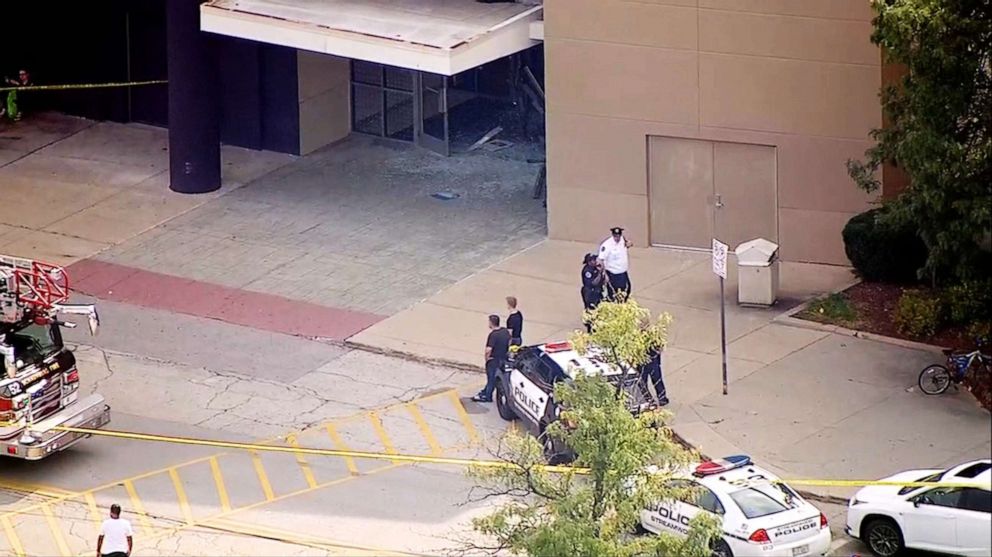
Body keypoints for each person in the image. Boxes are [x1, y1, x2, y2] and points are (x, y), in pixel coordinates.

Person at [473, 315, 511, 403]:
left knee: (491, 379)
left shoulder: (493, 335)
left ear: (491, 323)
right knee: (494, 377)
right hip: (502, 358)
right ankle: (485, 391)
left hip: (493, 359)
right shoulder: (505, 331)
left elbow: (488, 350)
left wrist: (487, 359)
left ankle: (487, 396)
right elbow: (509, 341)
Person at [598, 226, 633, 301]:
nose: (617, 238)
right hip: (612, 274)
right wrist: (604, 275)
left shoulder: (622, 239)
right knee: (613, 293)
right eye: (615, 236)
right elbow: (601, 260)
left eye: (618, 236)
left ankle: (623, 306)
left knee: (626, 290)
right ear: (612, 235)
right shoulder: (606, 245)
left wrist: (629, 244)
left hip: (623, 272)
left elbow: (628, 244)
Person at [580, 253, 605, 333]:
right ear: (589, 261)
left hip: (597, 292)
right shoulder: (587, 271)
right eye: (593, 260)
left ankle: (597, 326)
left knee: (599, 309)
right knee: (591, 310)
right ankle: (590, 329)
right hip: (590, 293)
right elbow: (593, 282)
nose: (595, 261)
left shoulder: (596, 268)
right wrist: (600, 273)